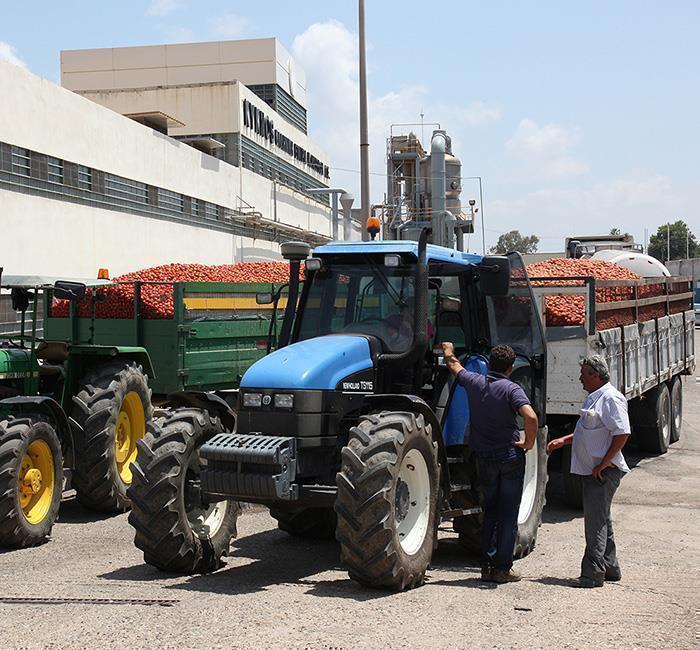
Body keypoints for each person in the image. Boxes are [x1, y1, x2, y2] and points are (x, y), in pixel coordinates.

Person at [442, 341, 538, 584]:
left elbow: (454, 366)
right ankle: (502, 569)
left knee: (490, 512)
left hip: (483, 458)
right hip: (508, 457)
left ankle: (486, 565)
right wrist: (529, 442)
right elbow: (531, 416)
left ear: (490, 363)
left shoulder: (476, 382)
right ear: (511, 366)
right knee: (508, 516)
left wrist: (448, 350)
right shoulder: (512, 389)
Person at [547, 355, 630, 588]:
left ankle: (592, 574)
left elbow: (622, 433)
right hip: (594, 471)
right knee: (601, 518)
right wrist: (563, 440)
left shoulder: (611, 399)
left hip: (603, 472)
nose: (580, 377)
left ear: (595, 375)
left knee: (595, 524)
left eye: (583, 373)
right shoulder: (594, 398)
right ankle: (610, 567)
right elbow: (589, 433)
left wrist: (604, 463)